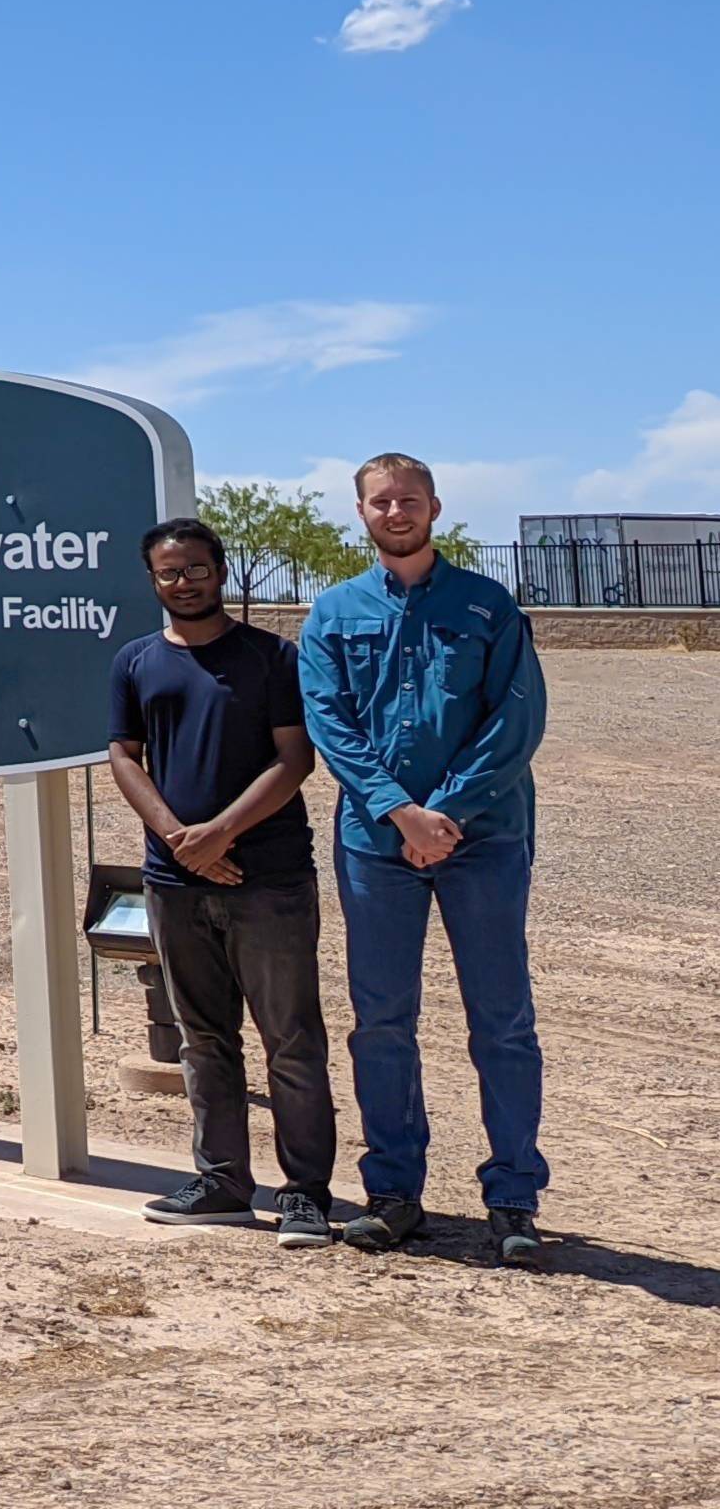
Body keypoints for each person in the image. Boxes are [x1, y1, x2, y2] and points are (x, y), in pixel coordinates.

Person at [299, 454, 549, 1268]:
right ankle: (394, 1193)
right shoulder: (334, 615)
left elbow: (516, 719)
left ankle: (512, 1198)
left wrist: (447, 812)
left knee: (502, 1021)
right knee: (381, 1022)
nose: (395, 510)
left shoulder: (487, 604)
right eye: (380, 500)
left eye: (408, 498)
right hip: (378, 844)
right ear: (362, 513)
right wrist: (400, 811)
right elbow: (330, 724)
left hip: (484, 840)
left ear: (435, 507)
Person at [109, 517, 335, 1249]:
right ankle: (223, 1183)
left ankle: (305, 1194)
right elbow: (124, 756)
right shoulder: (136, 662)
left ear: (222, 570)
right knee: (202, 1039)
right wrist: (180, 841)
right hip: (172, 880)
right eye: (170, 573)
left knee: (291, 1039)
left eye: (197, 569)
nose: (185, 582)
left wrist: (220, 835)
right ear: (153, 581)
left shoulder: (272, 658)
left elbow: (295, 759)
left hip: (268, 877)